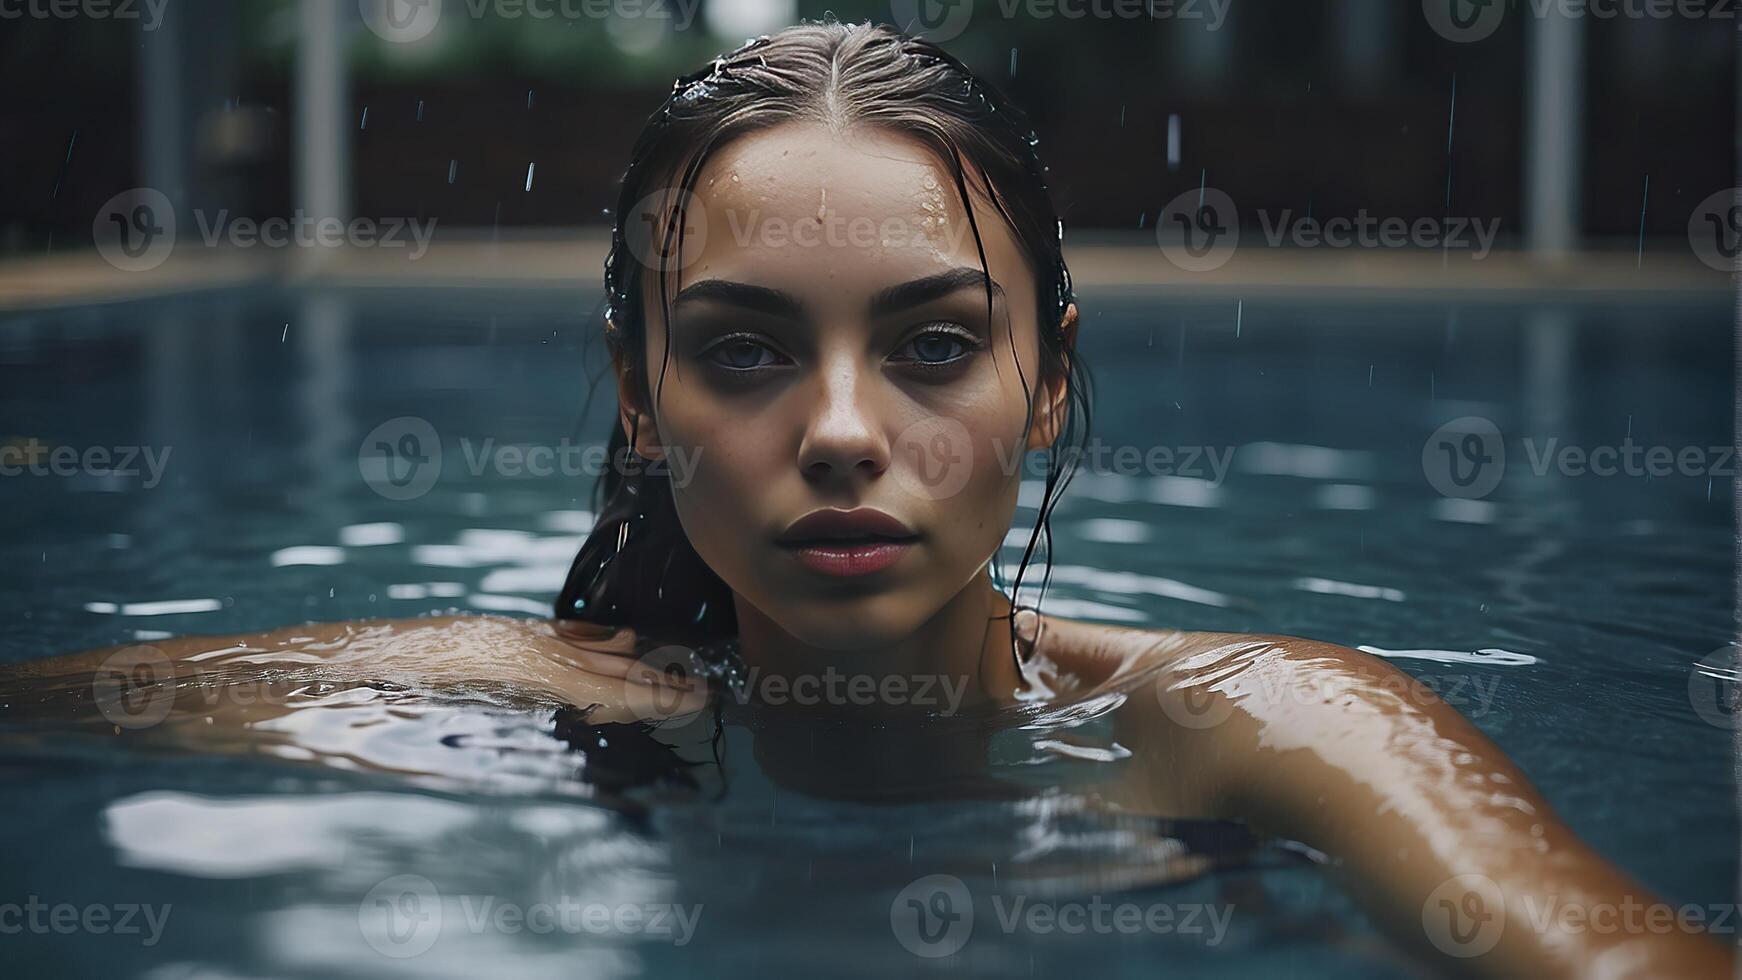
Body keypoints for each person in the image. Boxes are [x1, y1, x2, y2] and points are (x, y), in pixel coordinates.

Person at [4, 21, 1728, 978]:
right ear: (637, 394)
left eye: (931, 347)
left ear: (1046, 382)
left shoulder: (1251, 730)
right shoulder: (541, 695)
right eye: (744, 355)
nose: (839, 431)